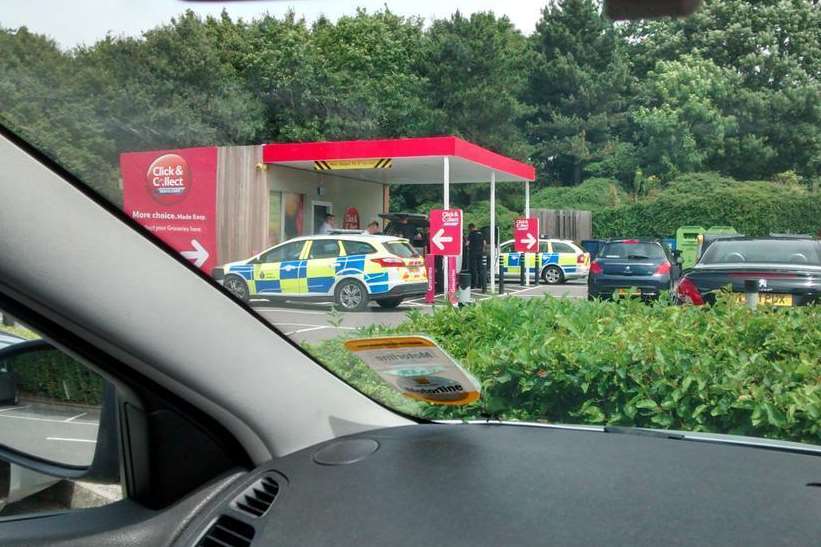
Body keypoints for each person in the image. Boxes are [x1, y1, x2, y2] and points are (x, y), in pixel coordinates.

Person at [467, 223, 486, 288]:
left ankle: (473, 284)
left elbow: (467, 243)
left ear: (470, 228)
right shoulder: (481, 233)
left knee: (473, 269)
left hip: (473, 253)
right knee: (480, 269)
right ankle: (480, 284)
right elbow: (484, 243)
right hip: (480, 253)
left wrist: (467, 246)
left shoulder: (471, 234)